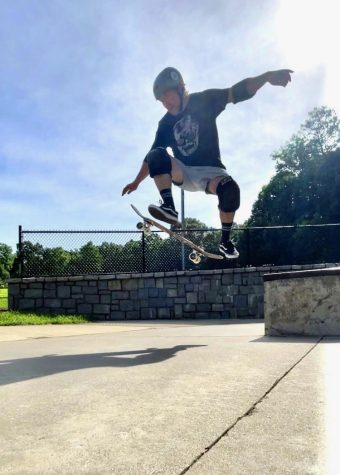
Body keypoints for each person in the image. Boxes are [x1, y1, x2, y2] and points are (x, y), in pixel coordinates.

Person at [122, 67, 293, 258]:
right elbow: (149, 158)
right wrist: (136, 182)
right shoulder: (165, 124)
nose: (166, 104)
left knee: (230, 190)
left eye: (167, 96)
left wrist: (267, 76)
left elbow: (236, 92)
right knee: (156, 154)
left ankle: (225, 241)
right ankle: (169, 207)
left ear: (180, 87)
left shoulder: (203, 100)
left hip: (212, 171)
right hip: (184, 171)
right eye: (161, 101)